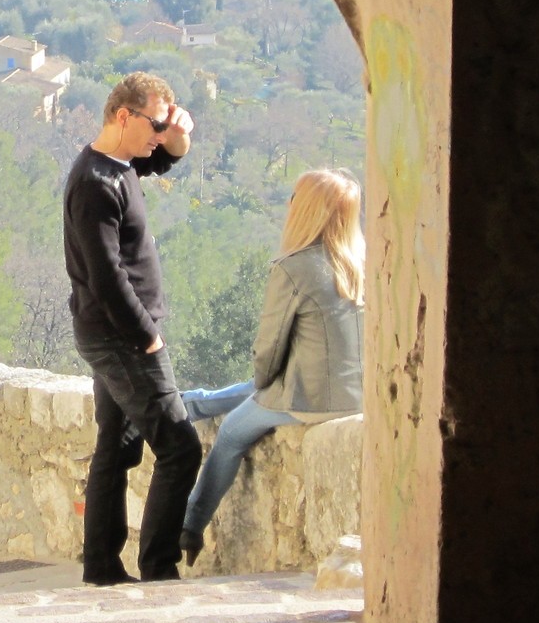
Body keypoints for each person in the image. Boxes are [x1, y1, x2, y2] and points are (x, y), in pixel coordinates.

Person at [178, 167, 365, 565]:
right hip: (356, 394)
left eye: (295, 197)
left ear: (308, 210)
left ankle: (190, 526)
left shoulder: (294, 268)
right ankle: (187, 405)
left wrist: (262, 385)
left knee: (231, 432)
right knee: (257, 390)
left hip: (311, 398)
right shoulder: (360, 262)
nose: (288, 204)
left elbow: (268, 352)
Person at [62, 72, 200, 584]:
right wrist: (147, 336)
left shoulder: (118, 166)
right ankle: (158, 568)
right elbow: (106, 275)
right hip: (122, 336)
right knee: (180, 445)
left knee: (117, 446)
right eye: (155, 124)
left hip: (111, 333)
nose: (158, 136)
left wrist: (177, 135)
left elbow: (163, 159)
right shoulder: (95, 184)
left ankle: (101, 568)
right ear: (124, 116)